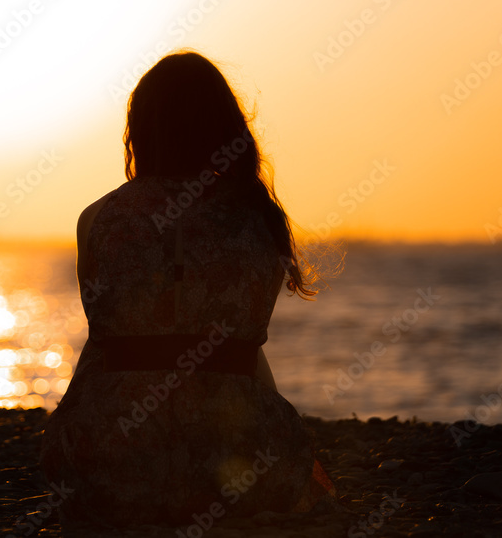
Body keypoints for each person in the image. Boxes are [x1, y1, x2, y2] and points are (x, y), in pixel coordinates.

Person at [40, 51, 337, 529]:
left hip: (118, 464)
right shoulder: (257, 218)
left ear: (140, 129)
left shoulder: (98, 219)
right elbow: (246, 354)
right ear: (223, 128)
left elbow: (104, 345)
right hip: (237, 463)